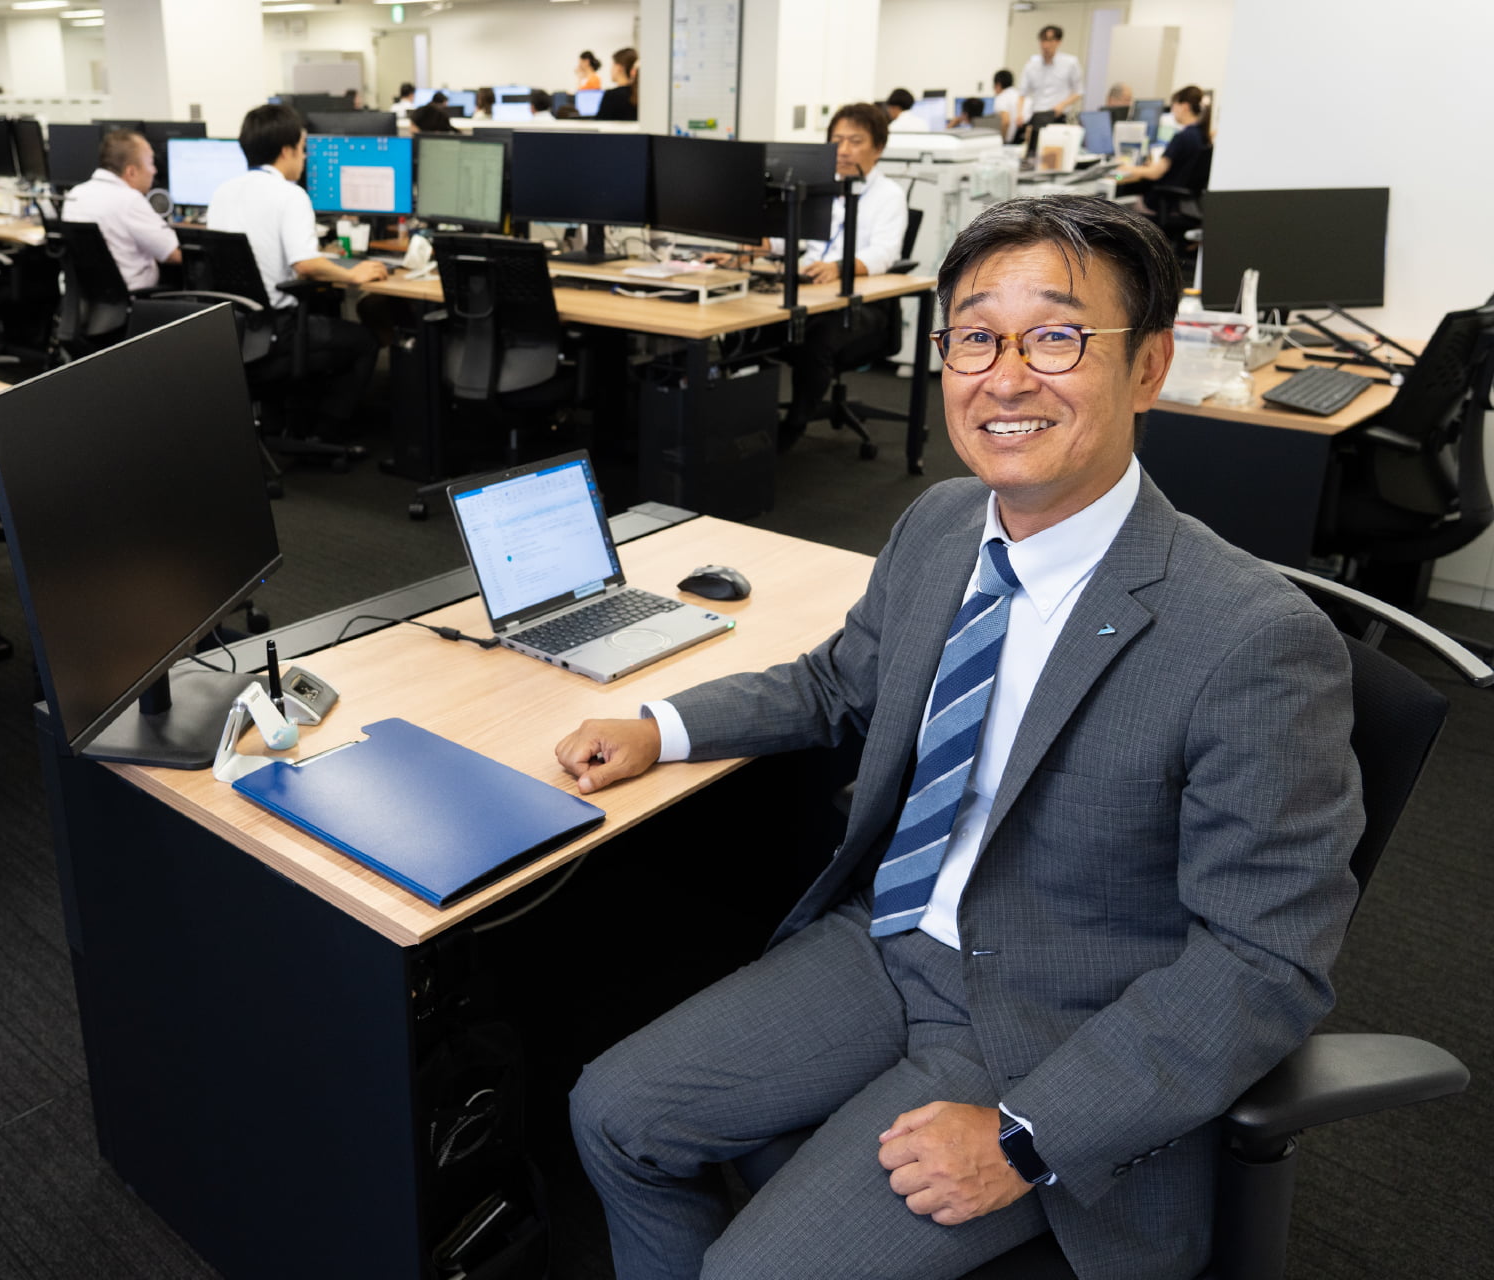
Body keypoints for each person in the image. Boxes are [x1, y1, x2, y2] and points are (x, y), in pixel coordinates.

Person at [558, 194, 1361, 1280]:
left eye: (1056, 336)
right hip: (890, 938)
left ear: (1148, 366)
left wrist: (1028, 1137)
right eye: (975, 337)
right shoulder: (940, 524)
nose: (1005, 376)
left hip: (1055, 1020)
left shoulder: (1254, 640)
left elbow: (1264, 960)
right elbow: (837, 682)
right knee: (614, 1113)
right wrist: (660, 725)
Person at [206, 103, 388, 444]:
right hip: (277, 331)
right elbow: (305, 264)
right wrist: (354, 274)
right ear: (287, 150)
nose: (304, 158)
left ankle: (286, 421)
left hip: (235, 329)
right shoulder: (290, 194)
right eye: (303, 149)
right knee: (365, 341)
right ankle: (326, 435)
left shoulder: (222, 192)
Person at [773, 102, 910, 451]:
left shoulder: (888, 196)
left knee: (815, 340)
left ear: (878, 148)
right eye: (837, 141)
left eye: (855, 141)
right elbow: (789, 236)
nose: (844, 150)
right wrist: (754, 246)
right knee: (750, 331)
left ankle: (794, 424)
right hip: (810, 292)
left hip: (861, 305)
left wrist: (838, 267)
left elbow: (884, 253)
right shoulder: (820, 188)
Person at [61, 128, 181, 291]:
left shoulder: (75, 195)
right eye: (150, 163)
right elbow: (173, 254)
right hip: (135, 297)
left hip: (86, 299)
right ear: (131, 172)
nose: (154, 170)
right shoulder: (129, 200)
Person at [1116, 86, 1212, 203]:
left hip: (1163, 201)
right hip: (1182, 201)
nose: (1172, 111)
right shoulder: (1201, 135)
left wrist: (1126, 168)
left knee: (1125, 202)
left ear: (1185, 107)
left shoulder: (1182, 137)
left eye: (1174, 105)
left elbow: (1155, 173)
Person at [1020, 24, 1084, 119]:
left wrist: (1062, 105)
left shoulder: (1070, 63)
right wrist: (1019, 114)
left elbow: (1079, 91)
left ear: (1058, 42)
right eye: (1043, 40)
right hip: (1037, 114)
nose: (1045, 45)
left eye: (1050, 40)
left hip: (1059, 114)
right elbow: (1022, 93)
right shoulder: (1031, 65)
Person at [596, 47, 639, 121]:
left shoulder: (612, 95)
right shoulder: (638, 94)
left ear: (619, 67)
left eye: (612, 65)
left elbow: (599, 122)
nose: (611, 70)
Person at [992, 69, 1020, 141]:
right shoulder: (1020, 95)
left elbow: (1005, 122)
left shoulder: (1001, 97)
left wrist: (1002, 140)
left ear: (998, 85)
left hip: (1010, 141)